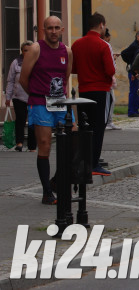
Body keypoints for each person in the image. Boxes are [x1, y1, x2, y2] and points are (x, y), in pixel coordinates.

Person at [19, 16, 74, 204]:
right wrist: (36, 95)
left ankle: (56, 181)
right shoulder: (36, 49)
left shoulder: (67, 51)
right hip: (40, 102)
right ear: (44, 30)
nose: (53, 31)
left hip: (59, 101)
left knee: (72, 141)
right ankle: (46, 192)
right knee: (45, 144)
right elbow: (23, 79)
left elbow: (65, 78)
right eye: (49, 28)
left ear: (62, 30)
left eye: (57, 28)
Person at [70, 12, 116, 176]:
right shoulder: (103, 45)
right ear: (102, 25)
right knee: (99, 127)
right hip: (101, 90)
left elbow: (73, 68)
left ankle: (83, 160)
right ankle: (94, 162)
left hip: (84, 89)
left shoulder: (77, 44)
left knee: (85, 126)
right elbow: (110, 70)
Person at [5, 42, 36, 151]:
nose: (27, 53)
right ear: (22, 51)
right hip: (18, 96)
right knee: (20, 120)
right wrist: (7, 97)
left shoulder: (37, 61)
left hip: (33, 96)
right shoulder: (16, 63)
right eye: (25, 50)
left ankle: (32, 146)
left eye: (29, 50)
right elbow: (10, 80)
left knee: (33, 121)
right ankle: (19, 143)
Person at [120, 30, 139, 117]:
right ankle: (132, 111)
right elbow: (124, 53)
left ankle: (135, 110)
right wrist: (130, 63)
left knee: (136, 91)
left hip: (135, 72)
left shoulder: (138, 46)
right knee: (134, 91)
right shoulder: (135, 46)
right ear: (137, 37)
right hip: (134, 72)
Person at [102, 28, 119, 132]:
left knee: (111, 101)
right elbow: (110, 68)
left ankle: (109, 121)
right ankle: (107, 121)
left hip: (108, 80)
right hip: (106, 81)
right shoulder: (105, 46)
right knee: (109, 101)